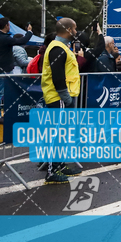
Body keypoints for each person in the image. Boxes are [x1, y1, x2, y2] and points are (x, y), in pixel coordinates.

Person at [40, 18, 83, 185]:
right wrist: (66, 97)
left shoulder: (61, 47)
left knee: (62, 134)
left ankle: (59, 165)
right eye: (75, 28)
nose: (77, 32)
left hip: (61, 97)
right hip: (58, 98)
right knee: (56, 135)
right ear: (69, 29)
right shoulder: (57, 48)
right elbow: (58, 77)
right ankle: (51, 172)